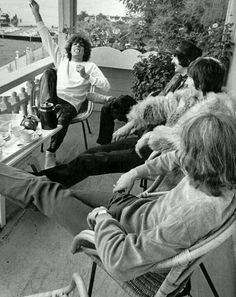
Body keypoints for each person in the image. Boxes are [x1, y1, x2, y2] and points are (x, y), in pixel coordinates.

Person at [0, 112, 235, 283]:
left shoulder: (194, 214)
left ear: (201, 159)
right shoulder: (221, 176)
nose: (180, 154)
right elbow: (174, 158)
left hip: (120, 233)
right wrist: (135, 172)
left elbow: (120, 261)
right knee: (49, 192)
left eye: (186, 150)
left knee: (43, 191)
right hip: (134, 210)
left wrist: (102, 218)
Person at [34, 57, 229, 188]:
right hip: (146, 142)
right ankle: (49, 179)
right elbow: (161, 106)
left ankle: (42, 183)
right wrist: (133, 121)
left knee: (89, 161)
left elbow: (187, 142)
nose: (188, 81)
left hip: (159, 157)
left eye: (192, 78)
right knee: (88, 153)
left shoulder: (212, 114)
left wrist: (154, 137)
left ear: (202, 80)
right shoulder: (189, 96)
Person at [29, 0, 110, 169]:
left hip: (71, 103)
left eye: (81, 46)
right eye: (75, 45)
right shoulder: (62, 61)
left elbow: (106, 86)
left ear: (85, 51)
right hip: (53, 98)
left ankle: (50, 152)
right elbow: (47, 39)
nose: (77, 47)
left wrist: (87, 76)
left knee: (61, 121)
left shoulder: (90, 67)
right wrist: (37, 14)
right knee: (49, 72)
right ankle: (44, 109)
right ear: (70, 49)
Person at [97, 40, 202, 145]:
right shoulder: (177, 77)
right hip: (152, 112)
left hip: (159, 123)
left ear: (186, 60)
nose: (172, 61)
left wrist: (132, 124)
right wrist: (147, 101)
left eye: (175, 57)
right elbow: (161, 96)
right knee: (115, 104)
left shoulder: (191, 87)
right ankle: (103, 143)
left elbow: (165, 113)